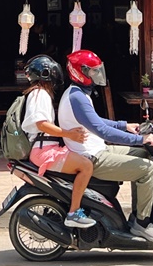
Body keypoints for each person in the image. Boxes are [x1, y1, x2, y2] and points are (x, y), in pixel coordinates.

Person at [56, 49, 153, 244]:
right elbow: (102, 131)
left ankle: (139, 212)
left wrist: (124, 125)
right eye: (92, 71)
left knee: (145, 154)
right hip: (92, 156)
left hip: (98, 149)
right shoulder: (77, 97)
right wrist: (140, 139)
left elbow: (96, 121)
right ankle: (142, 223)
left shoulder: (78, 94)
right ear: (79, 72)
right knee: (148, 169)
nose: (96, 75)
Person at [19, 55, 96, 229]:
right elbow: (41, 124)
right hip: (44, 152)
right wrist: (68, 134)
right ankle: (73, 213)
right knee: (86, 166)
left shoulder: (38, 93)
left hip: (45, 148)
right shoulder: (39, 94)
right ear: (47, 73)